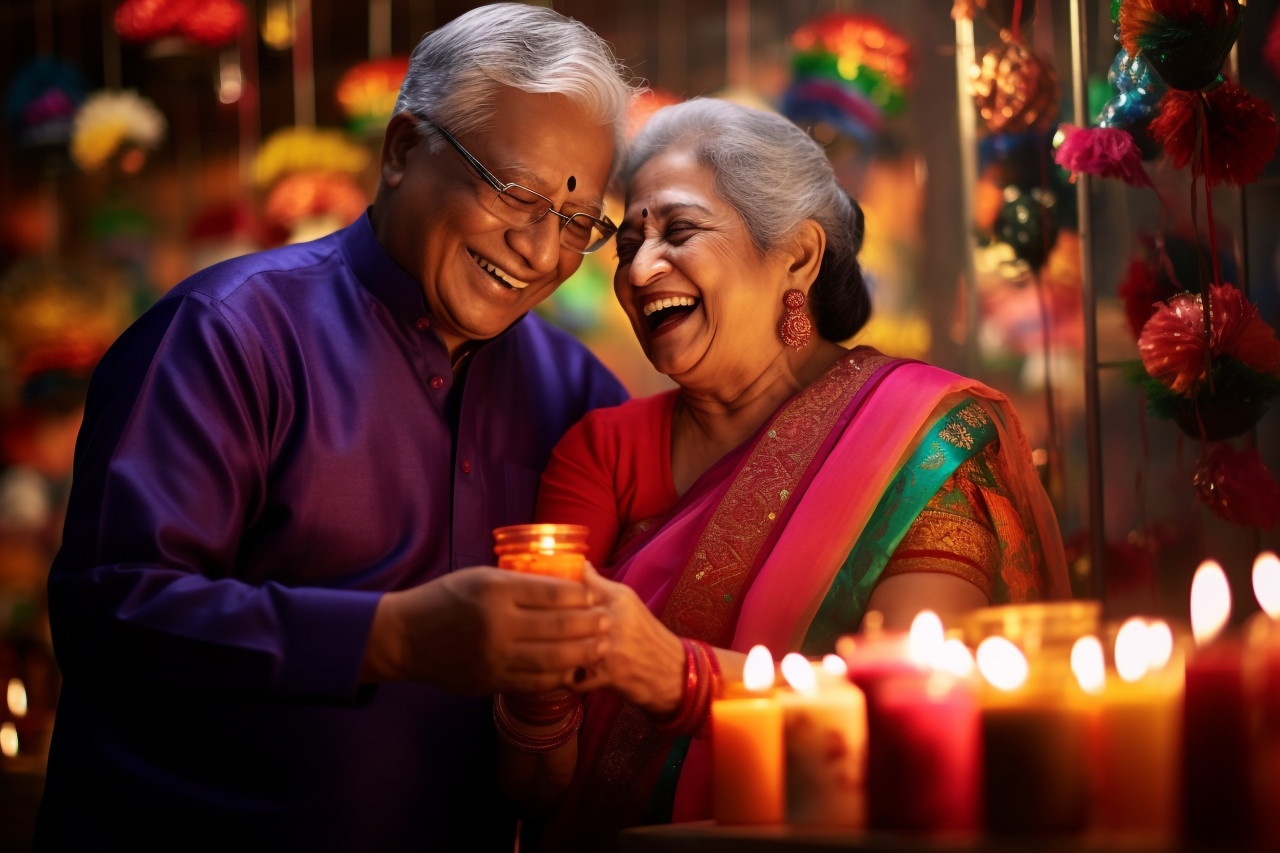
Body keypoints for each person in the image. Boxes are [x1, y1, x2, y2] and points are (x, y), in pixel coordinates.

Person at [34, 5, 637, 850]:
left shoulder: (576, 395)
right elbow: (111, 611)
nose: (539, 249)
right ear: (400, 152)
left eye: (577, 223)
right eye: (514, 190)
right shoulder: (227, 333)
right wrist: (390, 637)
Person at [508, 98, 1072, 850]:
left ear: (799, 256)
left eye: (679, 231)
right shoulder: (602, 450)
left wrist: (681, 675)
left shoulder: (921, 441)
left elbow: (919, 708)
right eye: (628, 244)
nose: (642, 269)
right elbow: (533, 786)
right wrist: (537, 690)